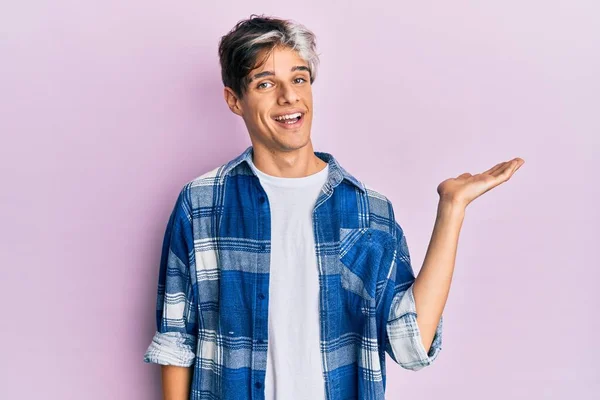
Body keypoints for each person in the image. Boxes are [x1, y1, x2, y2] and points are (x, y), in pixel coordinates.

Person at [143, 14, 524, 400]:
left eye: (299, 78)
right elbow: (177, 337)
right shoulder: (203, 203)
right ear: (234, 100)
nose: (288, 96)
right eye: (265, 83)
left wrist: (452, 209)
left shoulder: (368, 210)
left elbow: (411, 343)